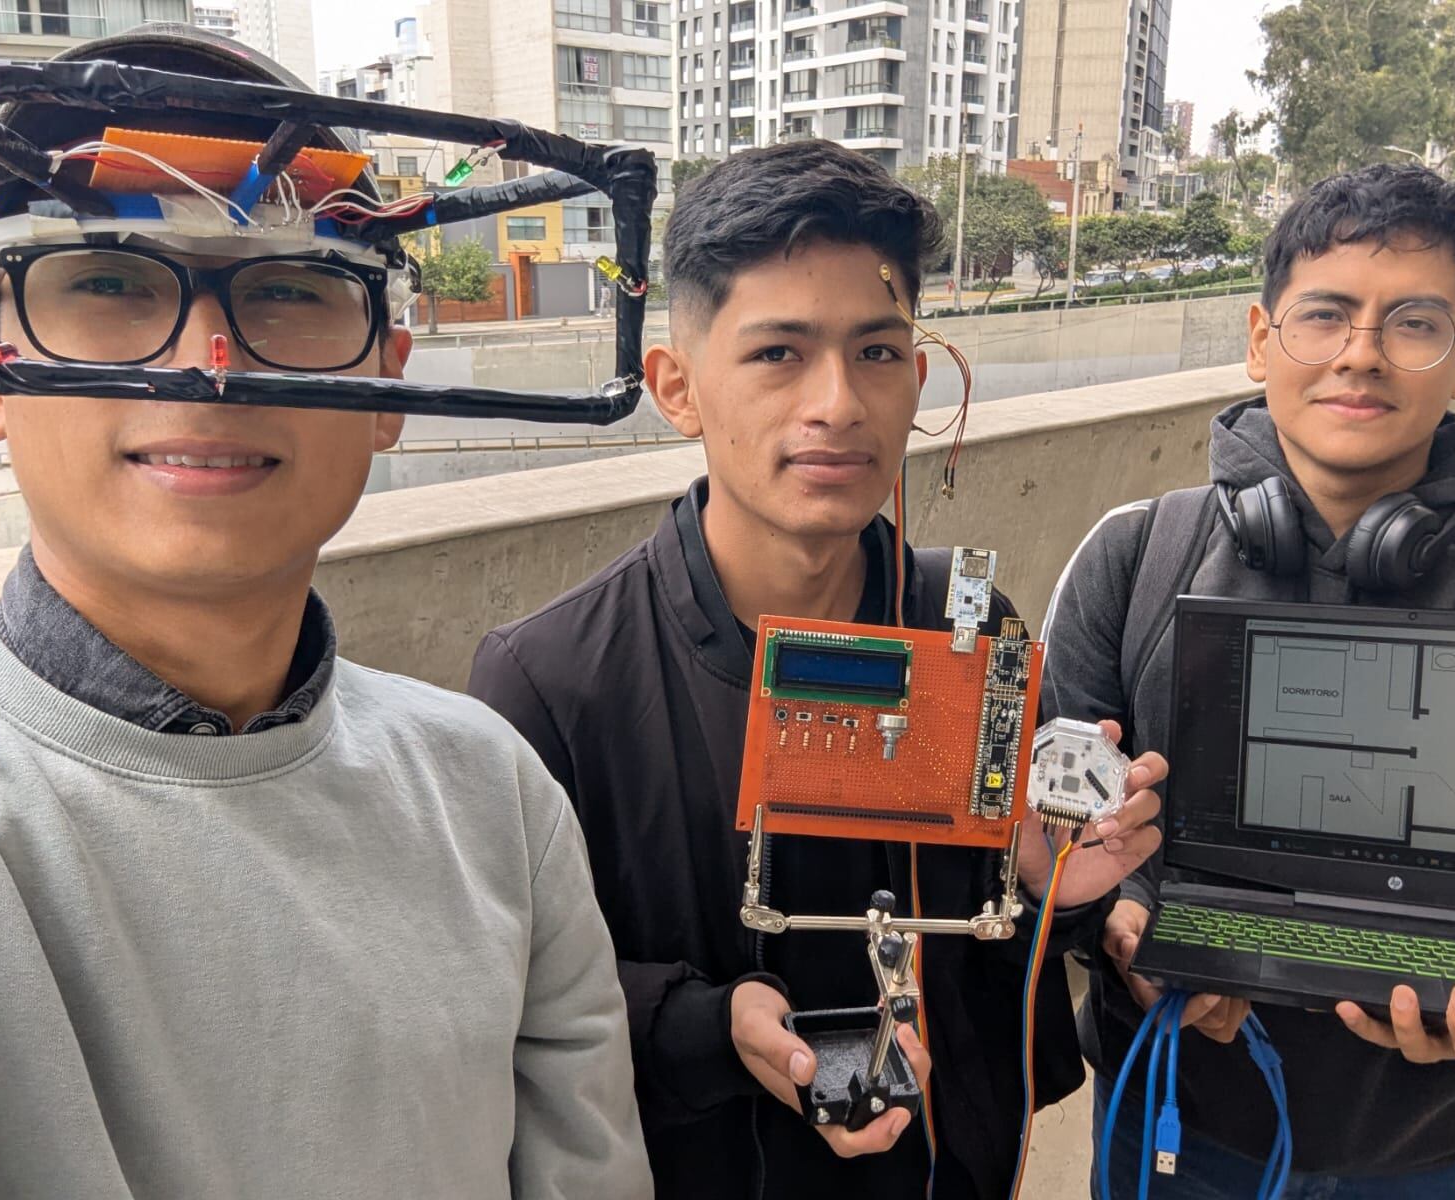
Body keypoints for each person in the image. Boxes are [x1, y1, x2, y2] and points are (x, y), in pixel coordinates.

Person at [0, 25, 649, 1199]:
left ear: (386, 380)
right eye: (108, 279)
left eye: (289, 289)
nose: (208, 362)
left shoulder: (490, 792)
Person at [467, 140, 1168, 1198]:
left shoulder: (969, 626)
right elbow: (506, 998)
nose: (837, 401)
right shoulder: (550, 682)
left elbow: (1014, 927)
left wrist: (1051, 888)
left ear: (916, 377)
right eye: (777, 354)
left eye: (877, 353)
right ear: (677, 386)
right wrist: (710, 1022)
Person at [1042, 162, 1455, 1199]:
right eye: (1324, 315)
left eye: (1413, 323)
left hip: (1427, 1148)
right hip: (1169, 1117)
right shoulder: (1132, 556)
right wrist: (1113, 923)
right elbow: (1041, 836)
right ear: (1260, 337)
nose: (1360, 355)